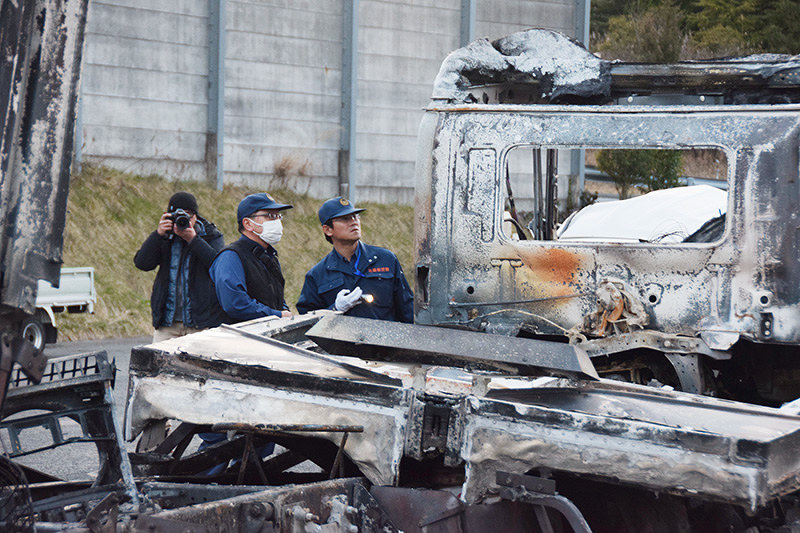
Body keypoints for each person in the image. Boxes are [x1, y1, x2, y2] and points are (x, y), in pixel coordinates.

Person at [296, 196, 413, 322]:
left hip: (383, 340)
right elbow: (307, 322)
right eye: (345, 219)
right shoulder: (317, 275)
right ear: (328, 230)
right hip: (341, 341)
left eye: (355, 216)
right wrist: (335, 309)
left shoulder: (386, 259)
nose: (354, 222)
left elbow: (407, 309)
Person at [134, 191, 228, 342]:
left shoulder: (210, 235)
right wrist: (157, 235)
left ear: (196, 216)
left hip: (200, 325)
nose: (183, 219)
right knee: (160, 365)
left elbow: (218, 265)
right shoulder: (165, 237)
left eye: (188, 214)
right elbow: (142, 263)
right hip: (167, 325)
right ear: (168, 216)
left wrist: (193, 240)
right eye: (178, 215)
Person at [210, 192, 293, 321]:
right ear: (248, 224)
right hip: (238, 338)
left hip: (266, 335)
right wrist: (277, 315)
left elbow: (276, 297)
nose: (276, 222)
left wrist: (284, 311)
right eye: (270, 216)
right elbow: (235, 304)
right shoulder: (231, 257)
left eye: (278, 216)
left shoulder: (269, 255)